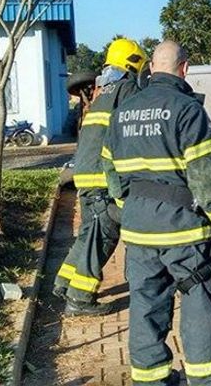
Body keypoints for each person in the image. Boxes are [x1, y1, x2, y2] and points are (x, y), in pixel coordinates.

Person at [103, 40, 211, 386]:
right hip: (183, 232)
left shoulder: (123, 111)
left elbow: (110, 170)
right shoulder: (187, 109)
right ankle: (209, 382)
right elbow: (205, 173)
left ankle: (151, 381)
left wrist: (128, 208)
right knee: (198, 306)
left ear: (151, 67)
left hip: (137, 231)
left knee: (146, 308)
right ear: (185, 68)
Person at [53, 37, 146, 316]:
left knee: (87, 234)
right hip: (101, 177)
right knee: (103, 236)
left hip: (85, 173)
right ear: (134, 63)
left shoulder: (103, 91)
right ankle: (80, 299)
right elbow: (129, 133)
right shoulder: (127, 88)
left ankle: (63, 282)